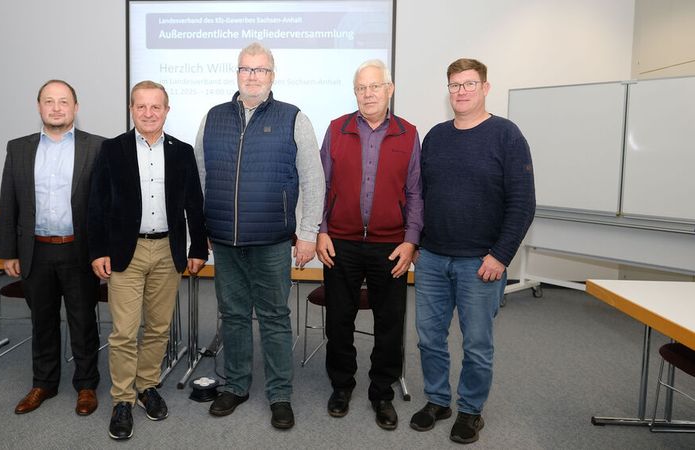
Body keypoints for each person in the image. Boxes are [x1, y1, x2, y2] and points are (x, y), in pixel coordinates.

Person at [193, 41, 324, 430]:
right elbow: (200, 176)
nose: (252, 76)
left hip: (272, 240)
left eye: (260, 70)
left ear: (272, 75)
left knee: (274, 317)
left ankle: (280, 394)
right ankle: (235, 385)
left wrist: (307, 233)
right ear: (237, 74)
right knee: (232, 315)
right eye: (245, 70)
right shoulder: (213, 117)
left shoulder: (293, 118)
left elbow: (313, 180)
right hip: (226, 241)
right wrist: (202, 229)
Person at [411, 58, 535, 444]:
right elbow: (420, 195)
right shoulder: (435, 136)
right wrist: (416, 242)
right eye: (454, 85)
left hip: (481, 262)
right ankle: (438, 400)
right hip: (432, 257)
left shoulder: (506, 135)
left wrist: (501, 255)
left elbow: (523, 202)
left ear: (485, 87)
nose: (461, 91)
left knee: (477, 344)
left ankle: (470, 411)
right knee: (429, 338)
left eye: (469, 84)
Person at [88, 80, 208, 441]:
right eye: (141, 106)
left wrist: (198, 248)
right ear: (131, 110)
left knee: (158, 327)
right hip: (127, 251)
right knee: (124, 331)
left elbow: (194, 205)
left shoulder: (182, 152)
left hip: (167, 250)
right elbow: (96, 205)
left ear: (167, 110)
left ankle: (146, 386)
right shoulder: (112, 150)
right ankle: (122, 400)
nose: (149, 113)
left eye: (156, 107)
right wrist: (97, 251)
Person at [315, 59, 422, 431]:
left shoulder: (408, 133)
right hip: (339, 241)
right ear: (355, 92)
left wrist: (411, 241)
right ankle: (341, 386)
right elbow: (322, 187)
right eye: (362, 88)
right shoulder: (336, 129)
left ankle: (382, 392)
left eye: (375, 86)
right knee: (339, 320)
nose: (369, 93)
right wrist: (321, 230)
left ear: (389, 89)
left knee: (389, 323)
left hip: (390, 245)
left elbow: (415, 192)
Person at [0, 79, 104, 417]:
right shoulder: (19, 148)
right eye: (49, 101)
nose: (56, 107)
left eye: (63, 101)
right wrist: (9, 251)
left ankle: (86, 385)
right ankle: (43, 383)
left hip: (79, 250)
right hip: (36, 251)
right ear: (39, 106)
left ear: (75, 107)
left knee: (83, 320)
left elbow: (104, 205)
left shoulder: (97, 147)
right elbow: (9, 201)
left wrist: (104, 249)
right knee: (41, 320)